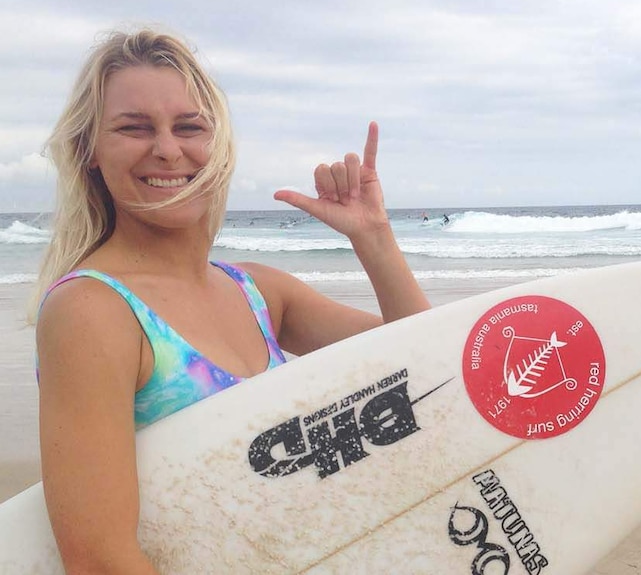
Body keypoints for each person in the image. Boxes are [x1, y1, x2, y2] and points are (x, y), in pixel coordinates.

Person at [31, 28, 430, 573]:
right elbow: (101, 560)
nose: (168, 149)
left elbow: (427, 366)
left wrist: (374, 237)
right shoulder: (92, 313)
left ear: (217, 143)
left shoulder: (260, 292)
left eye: (189, 126)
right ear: (89, 151)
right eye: (134, 128)